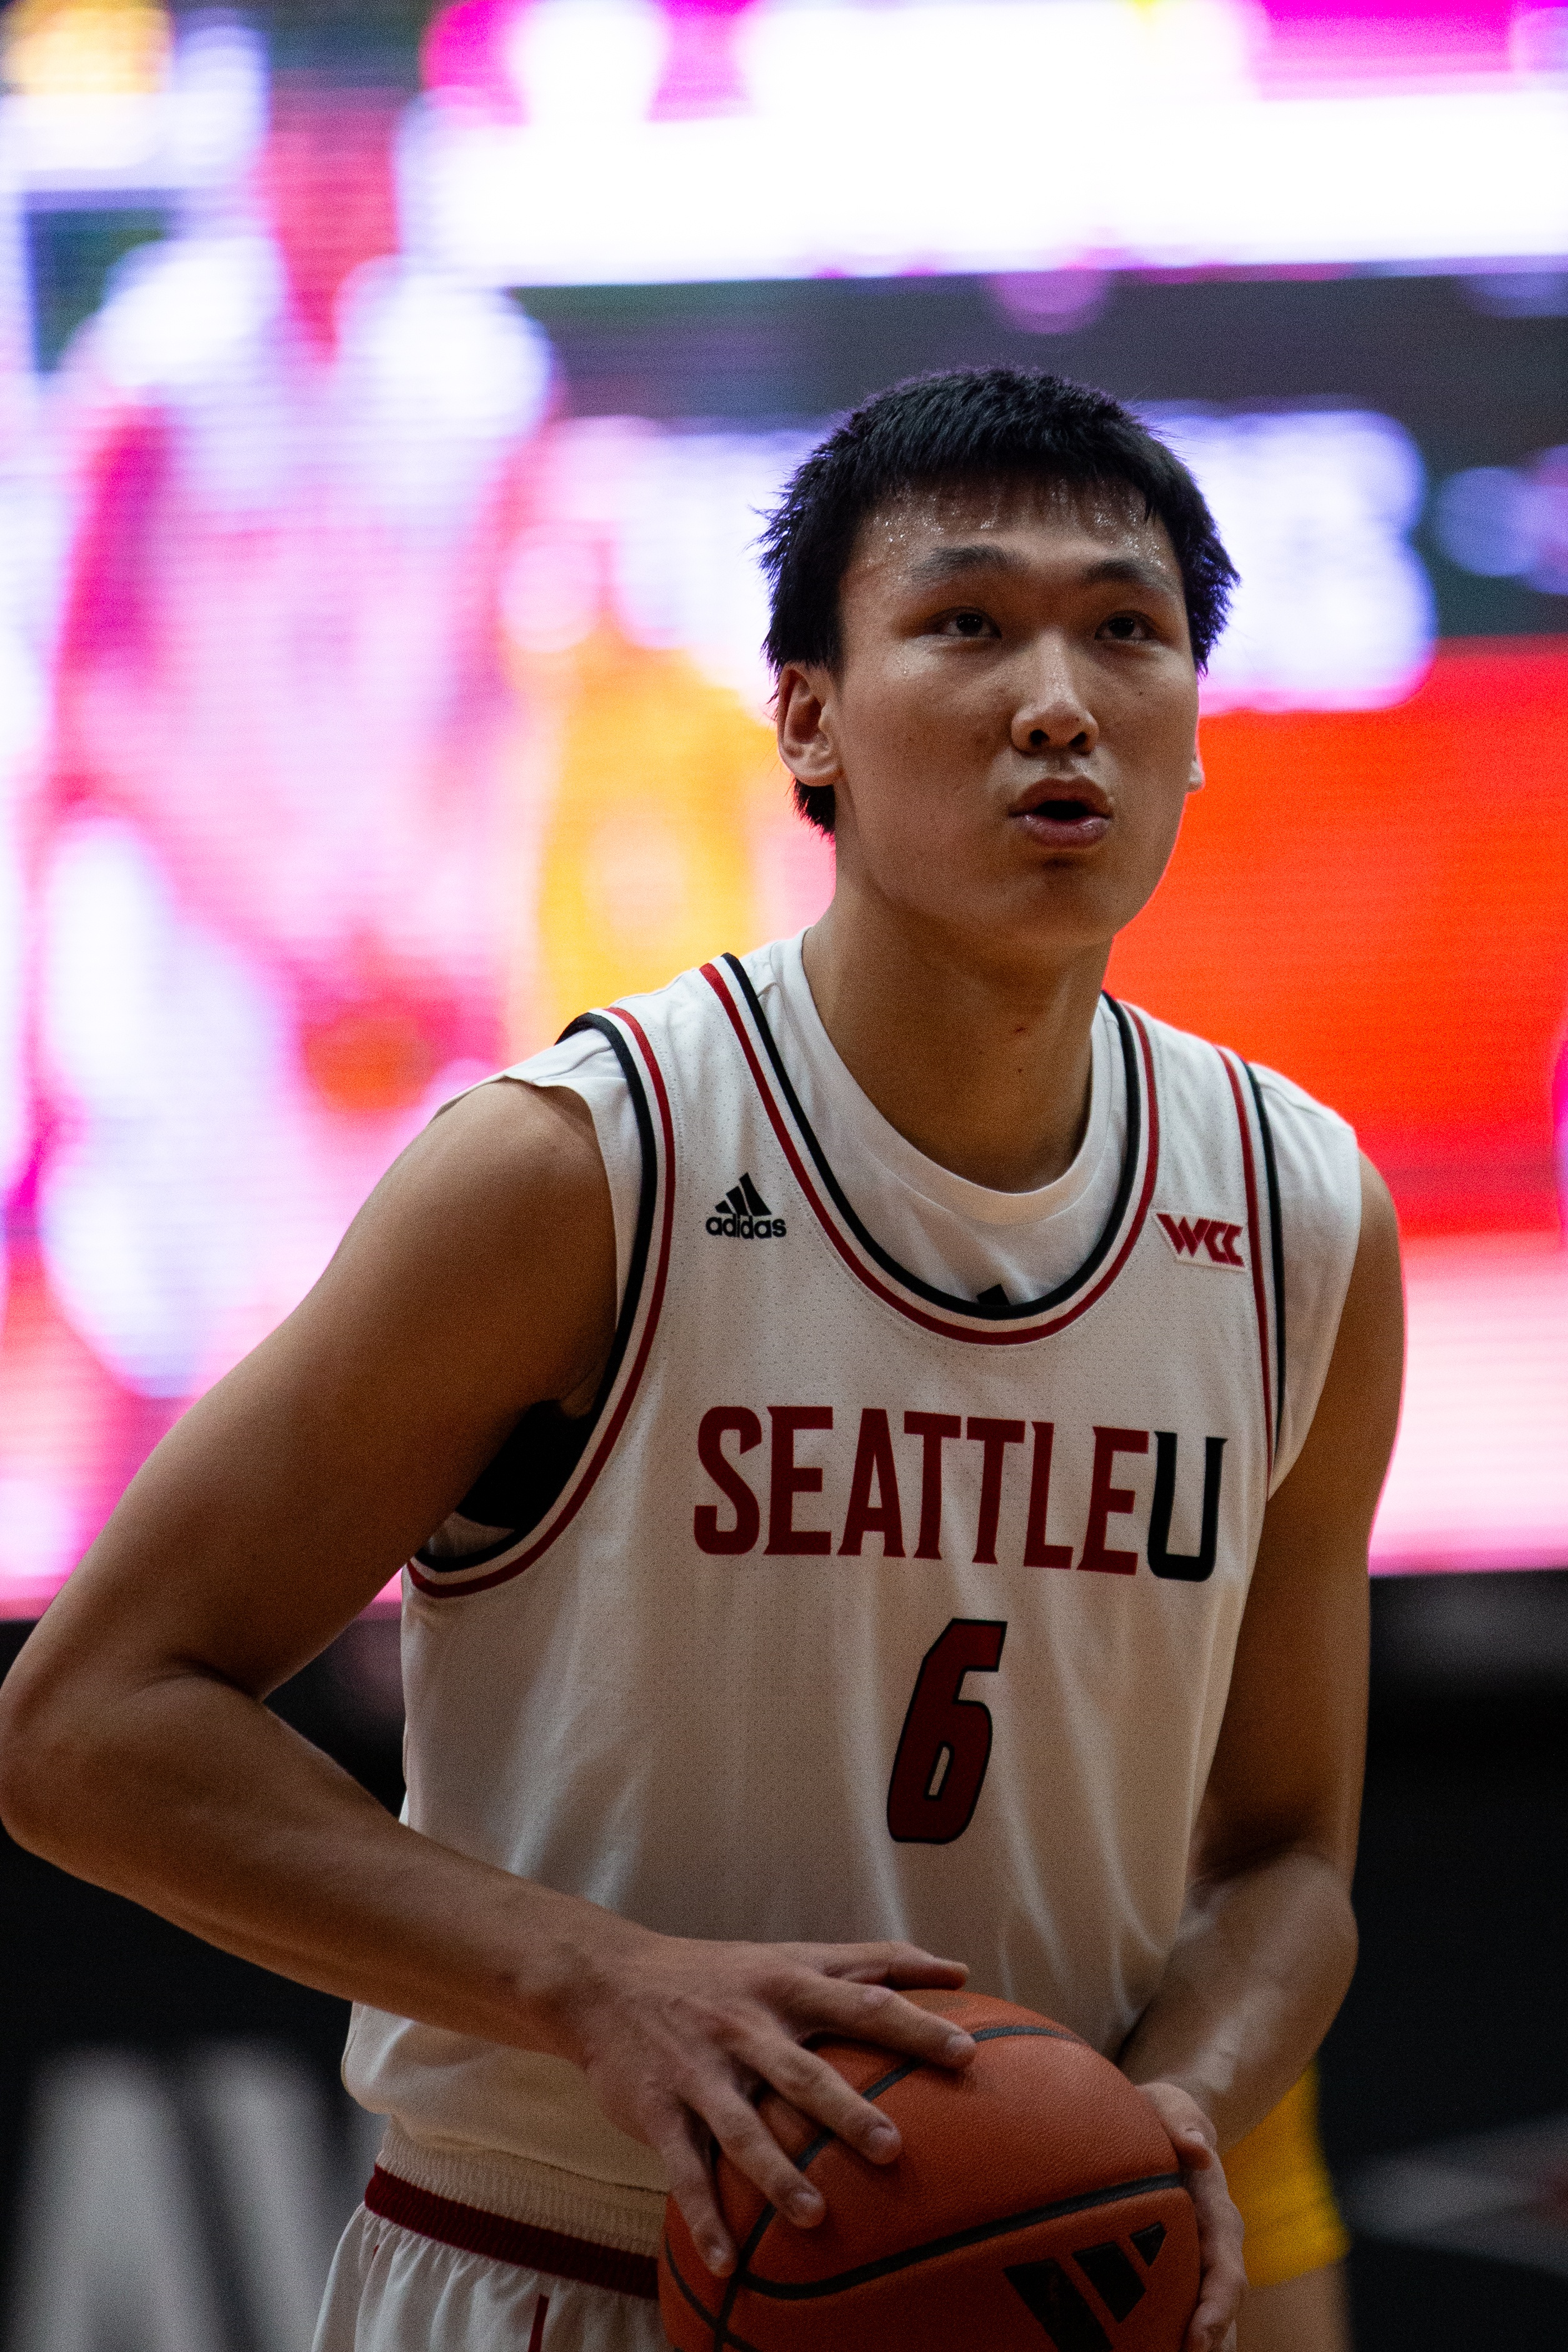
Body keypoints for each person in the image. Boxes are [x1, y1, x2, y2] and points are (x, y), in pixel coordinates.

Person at [0, 368, 1404, 2352]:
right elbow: (83, 1721)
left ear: (1192, 727)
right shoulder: (580, 1168)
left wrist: (1168, 2104)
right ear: (807, 716)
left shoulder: (1297, 1218)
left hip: (1023, 2301)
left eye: (1126, 631)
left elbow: (1283, 1859)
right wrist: (598, 1979)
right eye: (967, 624)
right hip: (554, 2265)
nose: (1058, 700)